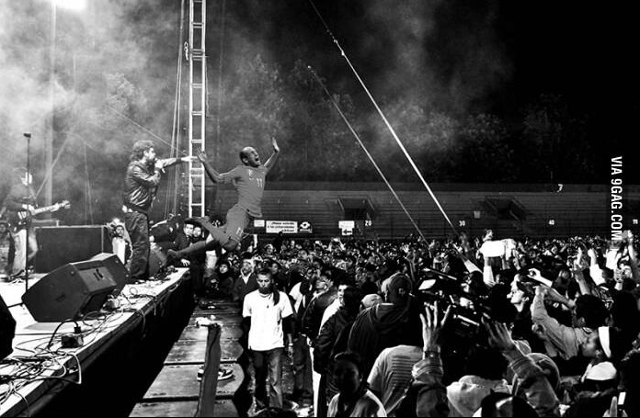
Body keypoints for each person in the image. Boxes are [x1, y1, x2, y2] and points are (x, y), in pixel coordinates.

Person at [167, 137, 280, 261]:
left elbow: (268, 164)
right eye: (252, 153)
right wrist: (205, 162)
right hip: (240, 213)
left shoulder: (261, 171)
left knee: (210, 245)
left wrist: (276, 152)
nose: (256, 153)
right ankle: (204, 222)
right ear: (245, 160)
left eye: (255, 152)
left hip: (246, 217)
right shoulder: (241, 170)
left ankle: (179, 254)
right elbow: (217, 179)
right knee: (231, 245)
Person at [121, 140, 192, 282]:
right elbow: (152, 181)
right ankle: (135, 279)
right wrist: (158, 170)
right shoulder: (135, 168)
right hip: (135, 213)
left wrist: (182, 159)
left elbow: (163, 162)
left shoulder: (145, 166)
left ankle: (143, 277)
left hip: (140, 213)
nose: (155, 154)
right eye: (152, 151)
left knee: (145, 246)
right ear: (145, 153)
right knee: (141, 247)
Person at [242, 268, 294, 409]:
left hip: (275, 343)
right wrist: (248, 344)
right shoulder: (250, 298)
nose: (263, 284)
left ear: (272, 281)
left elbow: (287, 322)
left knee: (275, 380)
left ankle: (276, 409)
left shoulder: (282, 297)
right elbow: (246, 322)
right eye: (261, 281)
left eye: (266, 281)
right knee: (259, 376)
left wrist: (290, 343)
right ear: (257, 281)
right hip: (257, 344)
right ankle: (261, 405)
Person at [2, 168, 39, 276]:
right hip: (17, 222)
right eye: (28, 175)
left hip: (28, 223)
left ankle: (13, 268)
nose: (31, 176)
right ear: (23, 178)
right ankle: (17, 272)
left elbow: (34, 208)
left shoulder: (31, 190)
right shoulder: (17, 189)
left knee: (33, 249)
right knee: (21, 249)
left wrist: (50, 208)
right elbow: (8, 203)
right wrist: (24, 206)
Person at [327, 351, 387, 417]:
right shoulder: (335, 401)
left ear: (360, 376)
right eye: (338, 372)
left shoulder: (372, 407)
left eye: (350, 373)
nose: (342, 377)